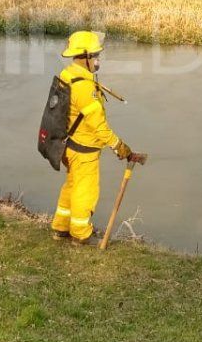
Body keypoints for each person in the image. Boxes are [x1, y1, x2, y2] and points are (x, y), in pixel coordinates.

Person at [51, 30, 145, 245]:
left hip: (70, 145)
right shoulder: (84, 87)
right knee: (86, 192)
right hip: (84, 150)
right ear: (84, 57)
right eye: (95, 56)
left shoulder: (69, 75)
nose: (98, 59)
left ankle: (60, 227)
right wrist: (119, 146)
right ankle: (80, 234)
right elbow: (99, 126)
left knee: (72, 186)